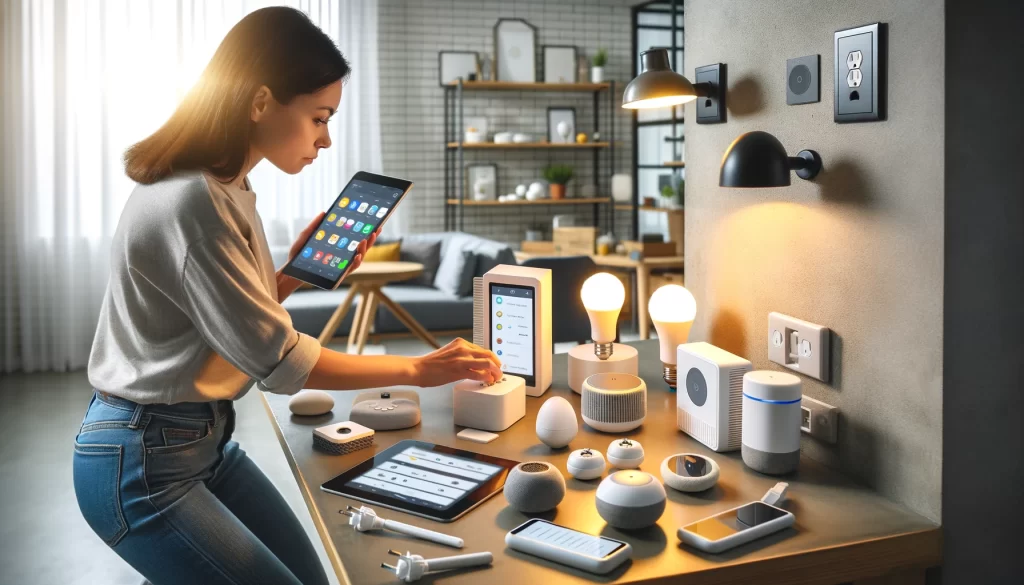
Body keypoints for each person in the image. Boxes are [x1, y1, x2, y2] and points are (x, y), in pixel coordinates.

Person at [72, 7, 501, 585]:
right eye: (320, 117)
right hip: (143, 461)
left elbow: (222, 325)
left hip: (197, 442)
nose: (325, 139)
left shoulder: (225, 186)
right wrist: (421, 369)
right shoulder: (196, 201)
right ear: (259, 102)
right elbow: (278, 362)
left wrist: (293, 275)